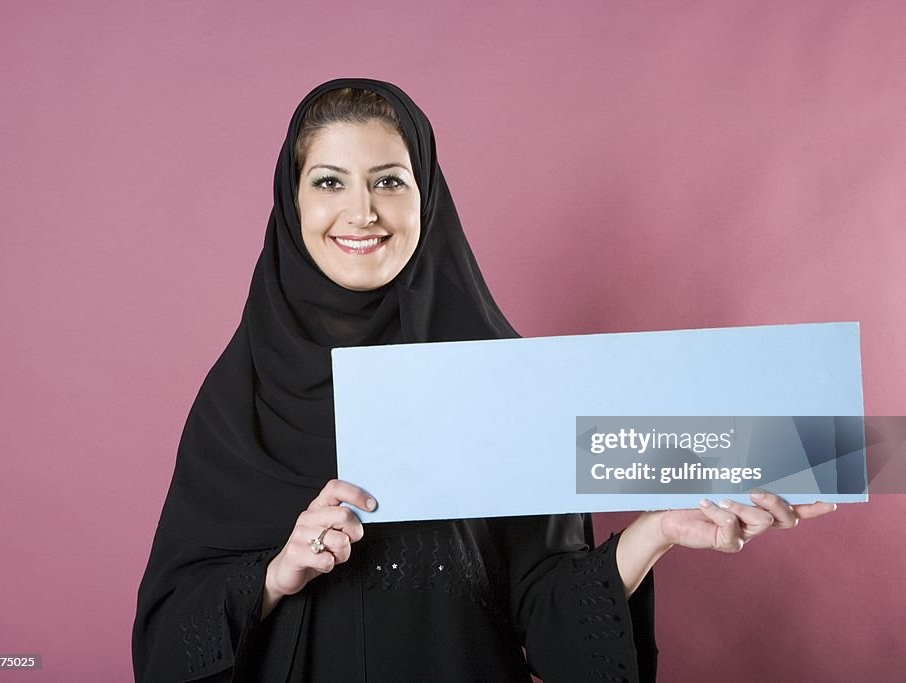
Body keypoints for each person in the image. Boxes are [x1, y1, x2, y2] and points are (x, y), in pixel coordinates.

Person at [132, 78, 835, 682]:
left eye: (388, 180)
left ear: (425, 195)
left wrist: (653, 532)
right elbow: (165, 644)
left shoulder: (503, 378)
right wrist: (274, 574)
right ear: (292, 205)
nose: (362, 211)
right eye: (328, 181)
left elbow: (549, 617)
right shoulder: (238, 401)